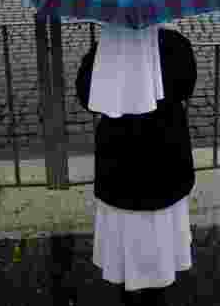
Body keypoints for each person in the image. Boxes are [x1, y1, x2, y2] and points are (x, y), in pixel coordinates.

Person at [76, 23, 198, 306]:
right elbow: (186, 85)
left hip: (121, 159)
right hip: (165, 154)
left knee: (125, 235)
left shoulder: (106, 46)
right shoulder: (174, 43)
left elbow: (87, 97)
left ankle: (129, 289)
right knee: (159, 234)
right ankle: (157, 291)